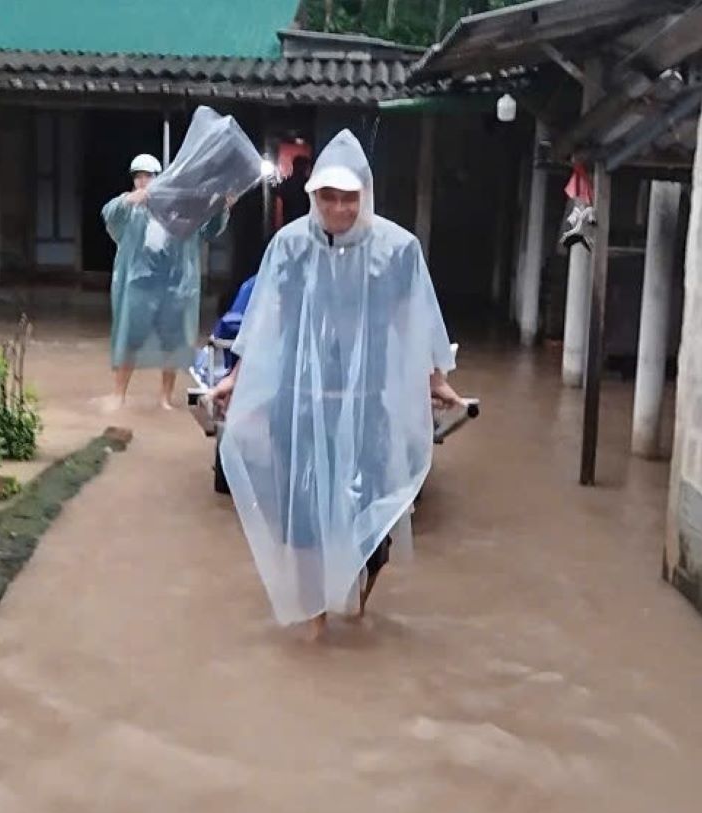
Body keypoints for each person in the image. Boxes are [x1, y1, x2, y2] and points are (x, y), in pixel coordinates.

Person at [207, 130, 465, 641]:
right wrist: (235, 377)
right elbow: (267, 319)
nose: (340, 208)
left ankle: (359, 599)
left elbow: (414, 322)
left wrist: (435, 380)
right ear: (313, 197)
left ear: (364, 196)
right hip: (300, 403)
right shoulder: (290, 247)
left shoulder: (397, 251)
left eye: (349, 198)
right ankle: (316, 619)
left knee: (371, 520)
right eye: (329, 197)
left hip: (368, 403)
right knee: (302, 520)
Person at [101, 153, 231, 410]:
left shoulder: (180, 210)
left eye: (148, 176)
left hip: (174, 286)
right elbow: (109, 215)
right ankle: (118, 395)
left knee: (172, 343)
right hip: (139, 285)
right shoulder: (129, 208)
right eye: (138, 176)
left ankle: (165, 398)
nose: (143, 181)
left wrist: (223, 207)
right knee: (130, 339)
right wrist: (129, 200)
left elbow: (208, 229)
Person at [276, 154, 312, 227]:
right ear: (305, 168)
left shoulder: (286, 183)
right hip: (304, 222)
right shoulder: (308, 184)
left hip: (288, 221)